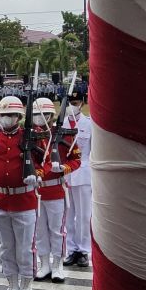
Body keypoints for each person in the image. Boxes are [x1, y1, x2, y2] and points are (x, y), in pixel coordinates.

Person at [0, 95, 40, 290]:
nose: (6, 118)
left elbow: (43, 160)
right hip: (0, 199)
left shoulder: (30, 137)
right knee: (6, 247)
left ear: (18, 116)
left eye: (10, 115)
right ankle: (12, 284)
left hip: (23, 199)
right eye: (3, 115)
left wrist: (38, 174)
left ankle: (26, 285)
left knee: (25, 247)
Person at [29, 98, 82, 284]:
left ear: (51, 116)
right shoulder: (29, 136)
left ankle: (58, 264)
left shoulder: (62, 135)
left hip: (55, 190)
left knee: (57, 230)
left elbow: (76, 159)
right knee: (39, 229)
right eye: (35, 115)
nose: (37, 119)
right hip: (36, 191)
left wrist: (64, 168)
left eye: (41, 115)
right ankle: (44, 263)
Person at [62, 94, 94, 267]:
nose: (72, 106)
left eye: (75, 103)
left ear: (81, 103)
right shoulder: (61, 125)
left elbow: (95, 151)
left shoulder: (89, 124)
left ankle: (83, 250)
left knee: (83, 215)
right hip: (66, 174)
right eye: (69, 103)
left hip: (83, 174)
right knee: (68, 215)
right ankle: (71, 250)